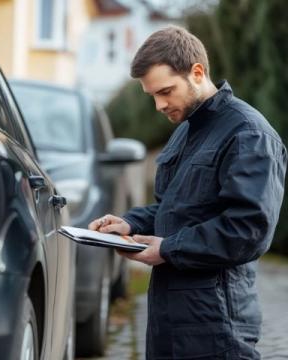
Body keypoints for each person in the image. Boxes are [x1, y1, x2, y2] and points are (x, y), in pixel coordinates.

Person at [89, 25, 287, 359]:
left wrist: (167, 249)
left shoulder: (248, 134)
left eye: (165, 91)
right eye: (152, 95)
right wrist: (129, 223)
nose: (159, 105)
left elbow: (248, 230)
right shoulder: (184, 132)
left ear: (197, 72)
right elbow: (175, 209)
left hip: (216, 322)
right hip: (167, 316)